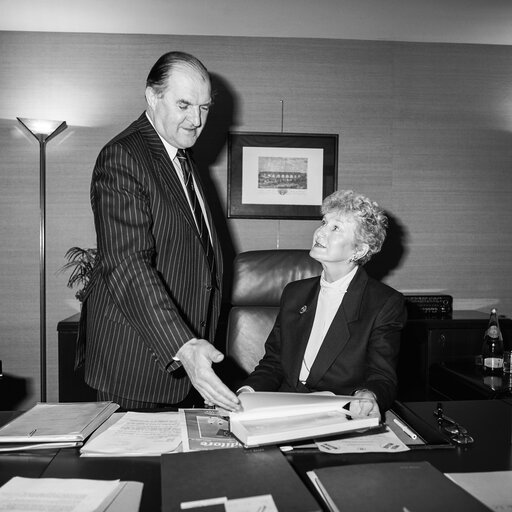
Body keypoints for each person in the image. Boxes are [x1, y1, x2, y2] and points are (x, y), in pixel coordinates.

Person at [76, 51, 240, 411]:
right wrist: (183, 345)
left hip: (188, 367)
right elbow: (127, 263)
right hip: (137, 365)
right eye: (184, 104)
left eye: (204, 107)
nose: (196, 120)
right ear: (152, 97)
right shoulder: (123, 156)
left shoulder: (184, 159)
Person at [239, 190, 407, 416]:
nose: (320, 232)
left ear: (359, 250)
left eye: (335, 228)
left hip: (337, 412)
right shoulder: (295, 293)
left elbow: (381, 377)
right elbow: (274, 362)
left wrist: (367, 395)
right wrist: (247, 391)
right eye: (324, 222)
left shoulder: (384, 303)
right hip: (282, 407)